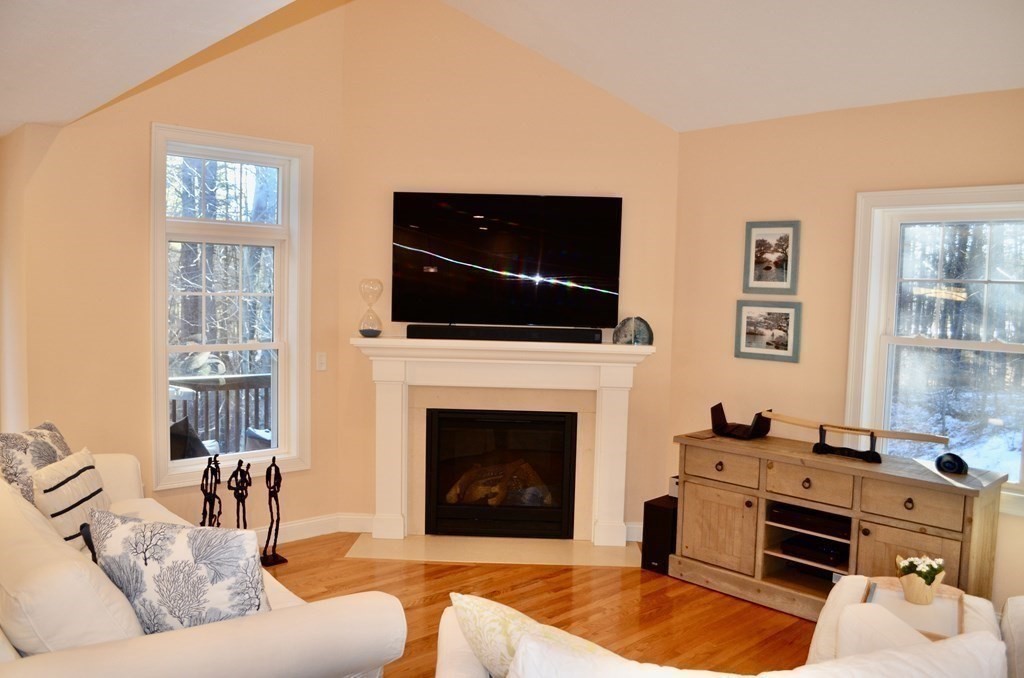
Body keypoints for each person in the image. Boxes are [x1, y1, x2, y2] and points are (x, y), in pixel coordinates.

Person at [263, 456, 283, 561]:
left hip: (275, 491)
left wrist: (277, 487)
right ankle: (266, 549)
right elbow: (267, 479)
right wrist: (270, 486)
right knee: (272, 519)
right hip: (271, 491)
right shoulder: (268, 469)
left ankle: (274, 548)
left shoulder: (277, 469)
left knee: (278, 517)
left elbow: (279, 478)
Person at [227, 459, 252, 528]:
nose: (240, 465)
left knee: (244, 514)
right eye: (239, 464)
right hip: (237, 495)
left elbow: (249, 484)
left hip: (243, 495)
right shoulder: (234, 473)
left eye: (241, 464)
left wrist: (248, 475)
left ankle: (245, 530)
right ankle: (238, 530)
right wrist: (236, 488)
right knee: (238, 514)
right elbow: (228, 485)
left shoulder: (244, 472)